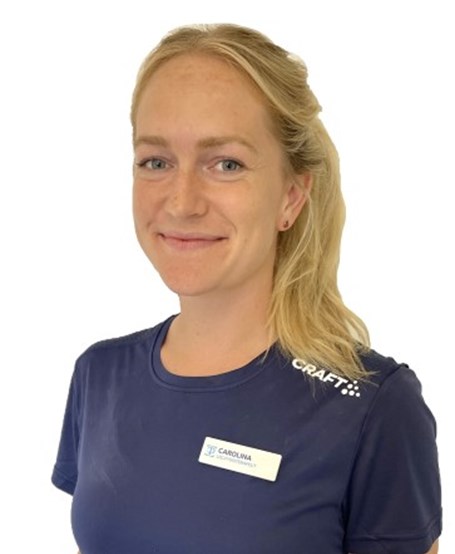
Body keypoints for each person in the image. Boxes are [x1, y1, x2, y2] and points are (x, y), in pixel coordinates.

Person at [52, 23, 442, 554]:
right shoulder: (99, 376)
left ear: (291, 197)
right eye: (156, 162)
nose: (182, 202)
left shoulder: (372, 409)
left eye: (226, 164)